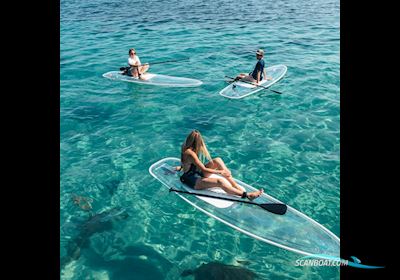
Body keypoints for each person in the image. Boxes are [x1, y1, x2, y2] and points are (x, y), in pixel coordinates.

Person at [178, 130, 263, 200]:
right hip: (191, 180)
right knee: (220, 181)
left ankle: (234, 185)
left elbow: (185, 162)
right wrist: (220, 172)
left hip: (196, 173)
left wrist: (181, 167)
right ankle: (247, 195)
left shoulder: (185, 146)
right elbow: (204, 169)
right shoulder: (190, 153)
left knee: (217, 160)